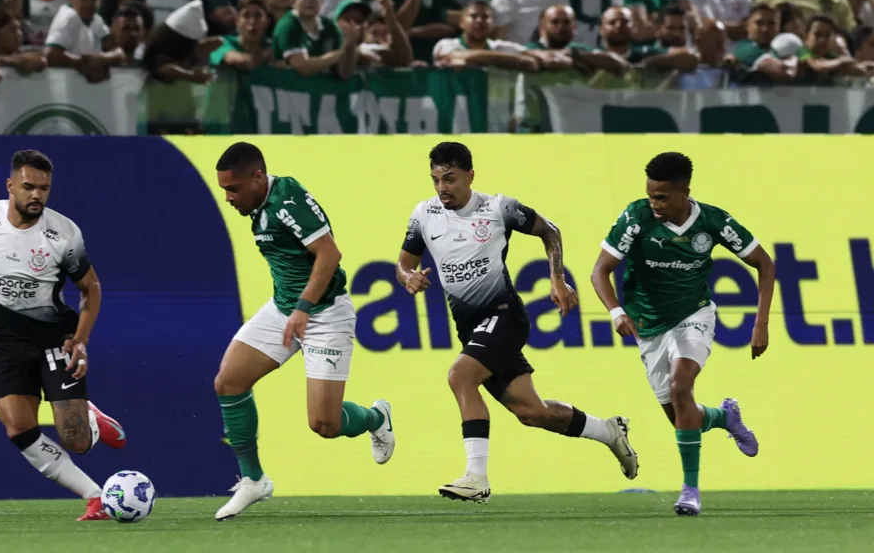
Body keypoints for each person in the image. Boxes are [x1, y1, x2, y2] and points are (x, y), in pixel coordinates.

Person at [397, 142, 638, 503]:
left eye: (449, 178)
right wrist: (407, 277)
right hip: (470, 327)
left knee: (460, 375)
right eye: (435, 180)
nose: (442, 188)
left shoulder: (498, 208)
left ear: (469, 176)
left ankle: (476, 478)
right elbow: (403, 262)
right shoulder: (424, 213)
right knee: (532, 412)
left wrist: (556, 277)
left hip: (505, 316)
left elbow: (550, 230)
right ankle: (608, 431)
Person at [0, 150, 126, 522]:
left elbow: (91, 289)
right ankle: (95, 496)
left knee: (77, 442)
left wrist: (81, 340)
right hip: (6, 341)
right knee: (19, 427)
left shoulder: (63, 234)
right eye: (28, 187)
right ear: (10, 186)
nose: (37, 195)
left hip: (56, 338)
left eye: (44, 188)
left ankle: (90, 418)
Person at [211, 142, 395, 521]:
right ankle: (253, 479)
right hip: (284, 310)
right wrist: (293, 310)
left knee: (324, 424)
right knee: (228, 381)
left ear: (258, 177)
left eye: (233, 189)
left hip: (323, 314)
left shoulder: (286, 200)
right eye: (224, 190)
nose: (229, 197)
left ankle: (377, 418)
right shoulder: (258, 205)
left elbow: (330, 255)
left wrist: (303, 308)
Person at [590, 152, 775, 516]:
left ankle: (690, 491)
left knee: (680, 387)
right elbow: (600, 271)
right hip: (648, 324)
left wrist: (761, 323)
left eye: (662, 197)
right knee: (681, 416)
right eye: (650, 196)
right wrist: (616, 312)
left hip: (694, 314)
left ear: (684, 192)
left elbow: (764, 265)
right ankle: (724, 418)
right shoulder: (636, 217)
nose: (654, 204)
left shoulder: (713, 221)